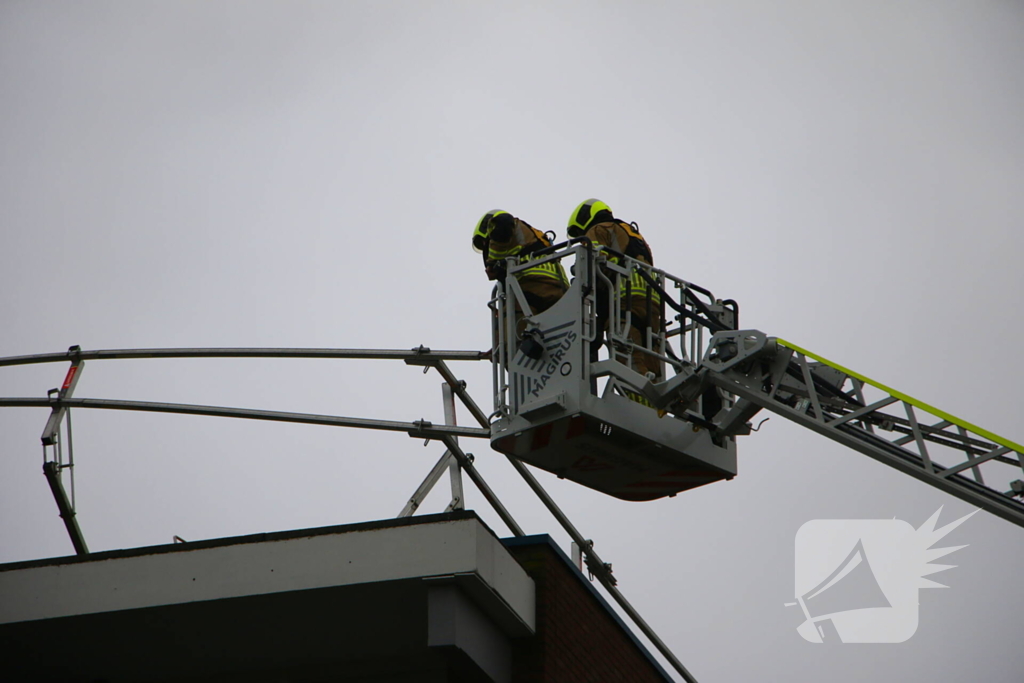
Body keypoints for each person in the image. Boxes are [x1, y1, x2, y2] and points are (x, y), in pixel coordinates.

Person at [567, 199, 663, 382]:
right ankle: (653, 405)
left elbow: (592, 266)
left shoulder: (598, 230)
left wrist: (577, 280)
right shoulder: (633, 234)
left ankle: (637, 400)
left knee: (627, 359)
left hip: (623, 298)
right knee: (650, 357)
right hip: (651, 300)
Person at [472, 209, 568, 314]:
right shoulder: (530, 236)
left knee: (508, 323)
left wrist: (492, 263)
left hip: (535, 287)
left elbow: (503, 224)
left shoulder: (509, 224)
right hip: (560, 292)